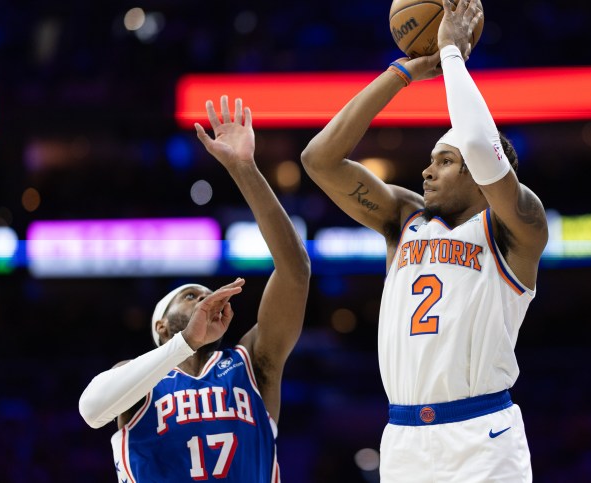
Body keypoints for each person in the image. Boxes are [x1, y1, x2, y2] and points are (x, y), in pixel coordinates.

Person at [301, 0, 547, 481]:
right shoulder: (404, 219)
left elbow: (479, 144)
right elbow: (318, 160)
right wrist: (400, 74)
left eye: (444, 161)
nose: (426, 170)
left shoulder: (519, 226)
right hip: (403, 438)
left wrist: (452, 54)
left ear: (481, 175)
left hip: (483, 438)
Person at [79, 96, 310, 482]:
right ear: (162, 328)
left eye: (206, 293)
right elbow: (91, 410)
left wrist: (244, 169)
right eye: (190, 296)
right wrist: (185, 343)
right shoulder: (138, 382)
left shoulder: (252, 361)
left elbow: (295, 270)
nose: (205, 298)